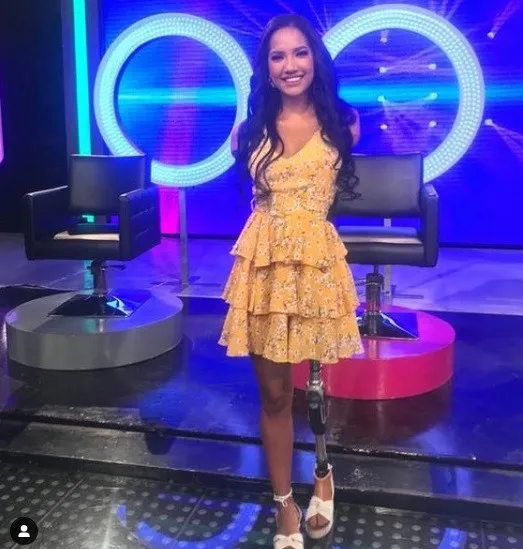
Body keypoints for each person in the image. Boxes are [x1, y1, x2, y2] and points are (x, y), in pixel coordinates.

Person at [218, 13, 363, 549]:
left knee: (318, 382)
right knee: (275, 394)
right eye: (277, 56)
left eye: (299, 52)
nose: (290, 65)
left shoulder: (344, 122)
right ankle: (284, 503)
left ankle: (323, 471)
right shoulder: (248, 133)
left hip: (317, 266)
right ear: (266, 67)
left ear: (314, 58)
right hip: (265, 270)